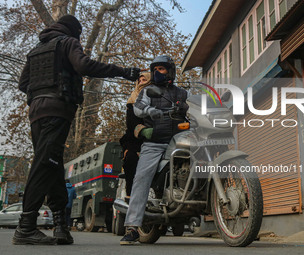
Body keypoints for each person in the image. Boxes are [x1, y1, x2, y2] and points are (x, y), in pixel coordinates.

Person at [13, 14, 140, 245]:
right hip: (57, 110)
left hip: (36, 112)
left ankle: (61, 226)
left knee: (51, 163)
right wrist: (123, 72)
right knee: (44, 163)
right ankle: (26, 225)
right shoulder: (68, 42)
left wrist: (39, 94)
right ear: (74, 31)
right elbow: (84, 65)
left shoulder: (36, 49)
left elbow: (23, 85)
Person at [120, 55, 189, 245]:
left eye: (162, 69)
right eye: (155, 69)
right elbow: (138, 108)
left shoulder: (182, 93)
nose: (158, 72)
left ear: (171, 71)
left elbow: (194, 107)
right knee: (142, 178)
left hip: (180, 139)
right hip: (155, 142)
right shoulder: (148, 91)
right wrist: (150, 111)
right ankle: (133, 227)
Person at [119, 73, 151, 198]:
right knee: (131, 158)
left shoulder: (158, 96)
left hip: (157, 136)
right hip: (135, 139)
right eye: (140, 80)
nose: (142, 82)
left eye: (145, 79)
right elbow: (131, 124)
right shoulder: (132, 100)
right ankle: (131, 195)